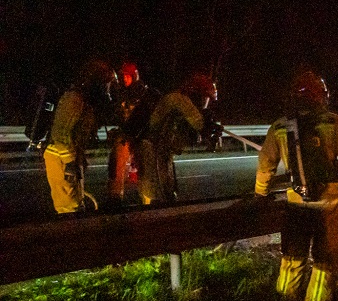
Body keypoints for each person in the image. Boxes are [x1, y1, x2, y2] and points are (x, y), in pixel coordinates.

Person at [256, 70, 338, 301]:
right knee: (325, 260)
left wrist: (260, 194)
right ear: (320, 97)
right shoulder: (334, 123)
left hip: (296, 202)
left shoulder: (280, 126)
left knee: (293, 256)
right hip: (330, 204)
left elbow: (265, 163)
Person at [43, 60, 118, 213]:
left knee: (77, 206)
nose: (107, 89)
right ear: (97, 82)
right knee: (70, 209)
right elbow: (60, 135)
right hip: (61, 160)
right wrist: (70, 164)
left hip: (68, 159)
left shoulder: (83, 101)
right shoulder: (75, 100)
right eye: (106, 84)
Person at [137, 72, 220, 205]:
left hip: (160, 151)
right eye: (206, 98)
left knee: (164, 190)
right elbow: (198, 122)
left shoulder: (178, 100)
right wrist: (208, 125)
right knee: (158, 195)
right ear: (197, 93)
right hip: (153, 150)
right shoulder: (180, 100)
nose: (206, 103)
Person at [106, 62, 151, 205]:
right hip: (126, 134)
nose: (124, 79)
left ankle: (149, 199)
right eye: (122, 76)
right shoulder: (122, 93)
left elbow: (140, 117)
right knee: (116, 164)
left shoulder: (140, 92)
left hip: (139, 136)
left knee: (145, 170)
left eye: (127, 76)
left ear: (134, 76)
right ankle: (115, 196)